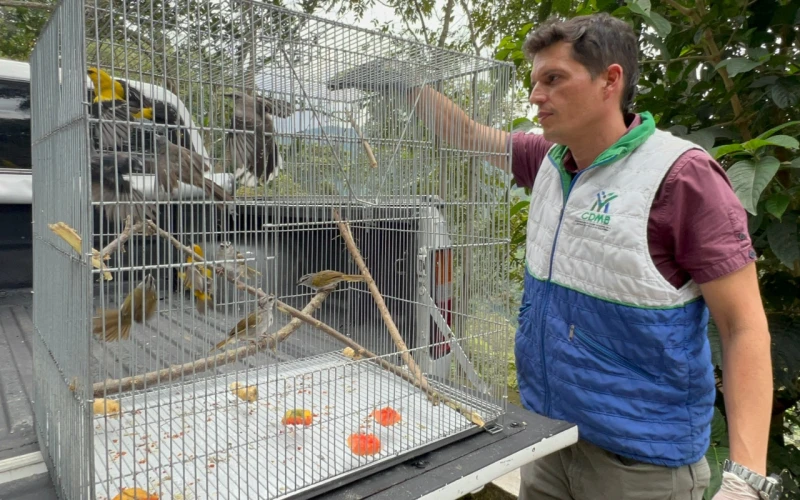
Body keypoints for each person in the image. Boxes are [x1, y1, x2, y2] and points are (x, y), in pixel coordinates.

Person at [327, 12, 778, 500]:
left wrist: (746, 478)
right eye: (535, 81)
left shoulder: (680, 177)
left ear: (611, 80)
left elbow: (744, 327)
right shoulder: (547, 159)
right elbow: (468, 135)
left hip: (637, 466)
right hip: (548, 439)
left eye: (554, 79)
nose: (537, 96)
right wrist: (404, 86)